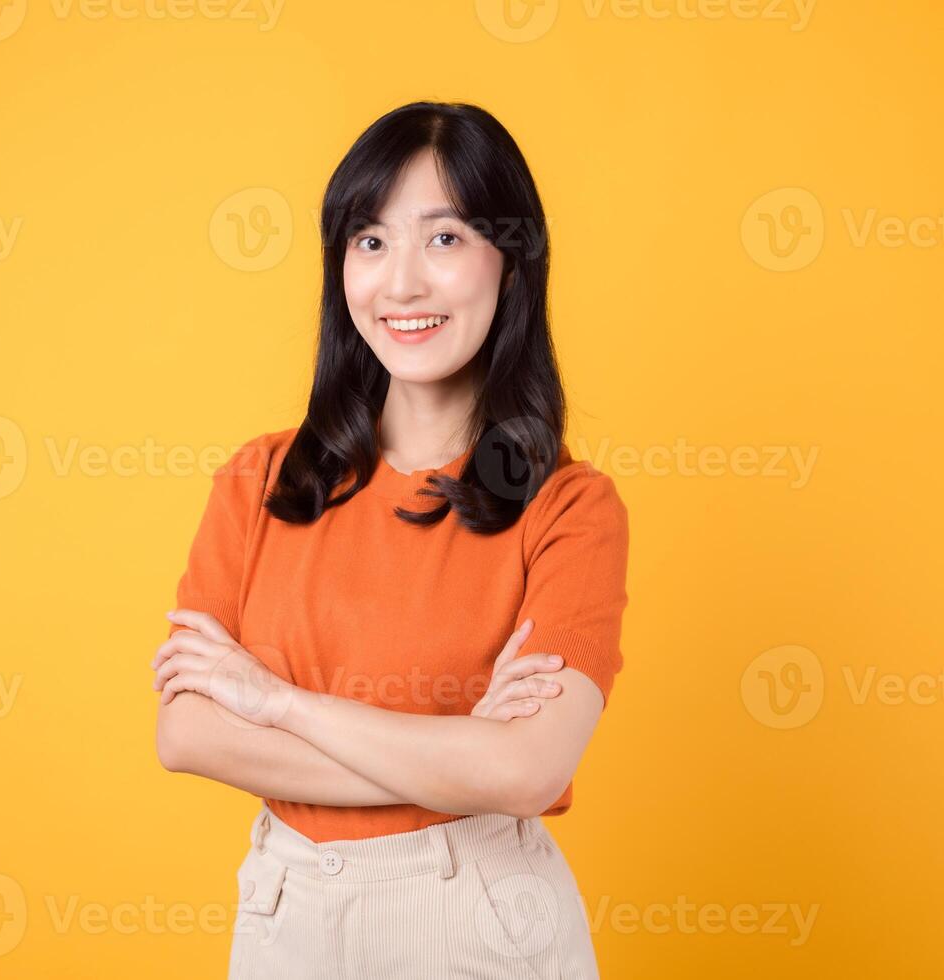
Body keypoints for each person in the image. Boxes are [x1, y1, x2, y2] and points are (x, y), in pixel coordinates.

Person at [152, 100, 629, 980]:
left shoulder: (569, 508)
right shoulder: (260, 480)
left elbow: (525, 773)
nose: (401, 284)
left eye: (444, 239)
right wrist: (457, 756)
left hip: (476, 916)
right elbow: (186, 733)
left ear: (511, 266)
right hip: (284, 913)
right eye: (370, 241)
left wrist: (278, 703)